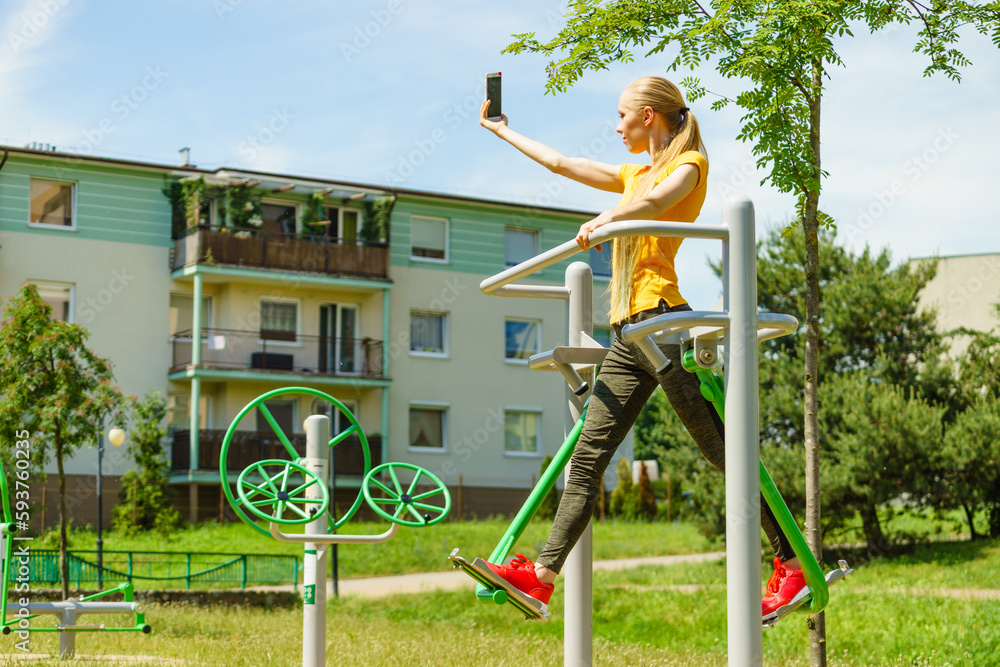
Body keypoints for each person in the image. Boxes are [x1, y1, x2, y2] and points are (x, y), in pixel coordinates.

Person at [478, 76, 806, 620]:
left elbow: (658, 200)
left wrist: (608, 218)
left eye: (622, 116)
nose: (616, 126)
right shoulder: (632, 174)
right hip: (626, 337)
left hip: (664, 327)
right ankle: (540, 578)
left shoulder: (689, 164)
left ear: (649, 116)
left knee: (724, 451)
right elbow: (562, 163)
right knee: (585, 462)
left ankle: (791, 566)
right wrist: (502, 131)